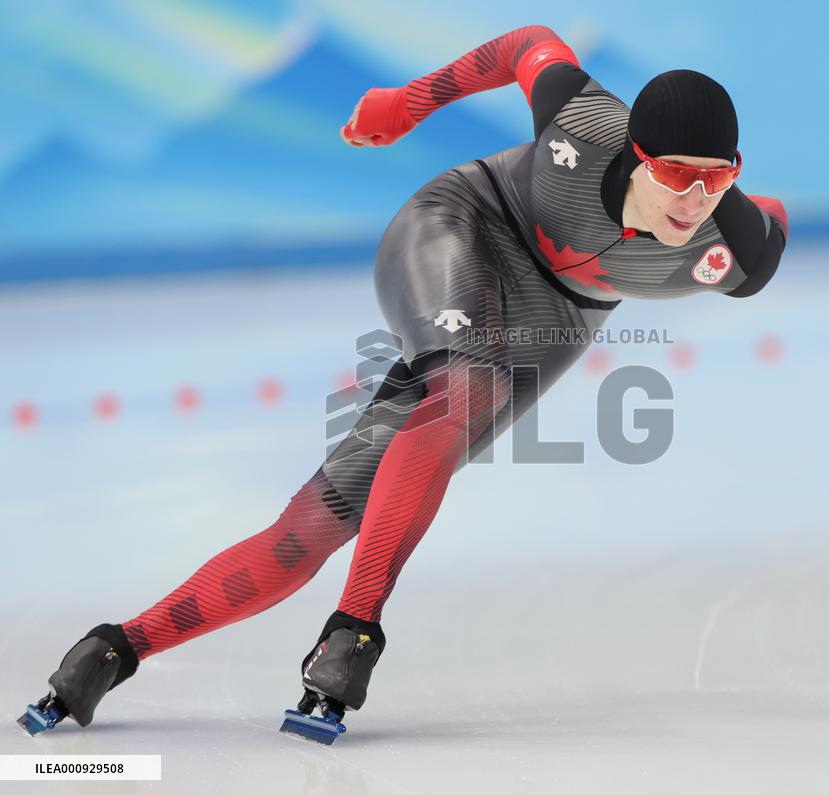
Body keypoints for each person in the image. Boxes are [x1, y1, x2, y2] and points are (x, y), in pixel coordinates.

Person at [22, 24, 788, 735]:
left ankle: (113, 649)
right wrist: (405, 104)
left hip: (550, 316)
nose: (695, 200)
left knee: (314, 526)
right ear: (635, 153)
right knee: (467, 386)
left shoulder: (736, 249)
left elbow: (768, 220)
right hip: (467, 223)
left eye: (718, 180)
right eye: (677, 175)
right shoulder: (583, 124)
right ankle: (353, 631)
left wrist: (742, 206)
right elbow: (527, 45)